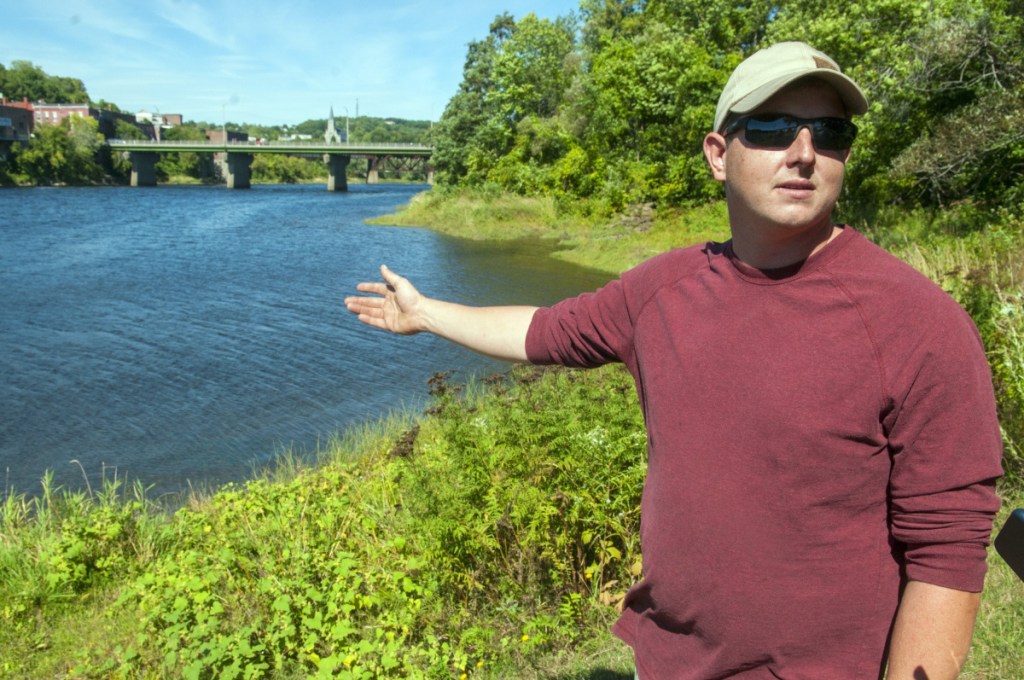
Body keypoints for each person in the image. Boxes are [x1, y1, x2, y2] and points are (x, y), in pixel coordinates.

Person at [344, 42, 1003, 680]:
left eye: (828, 133)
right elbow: (546, 330)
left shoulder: (917, 323)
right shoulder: (661, 290)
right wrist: (425, 312)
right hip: (668, 661)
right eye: (773, 128)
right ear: (719, 154)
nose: (804, 153)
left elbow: (946, 554)